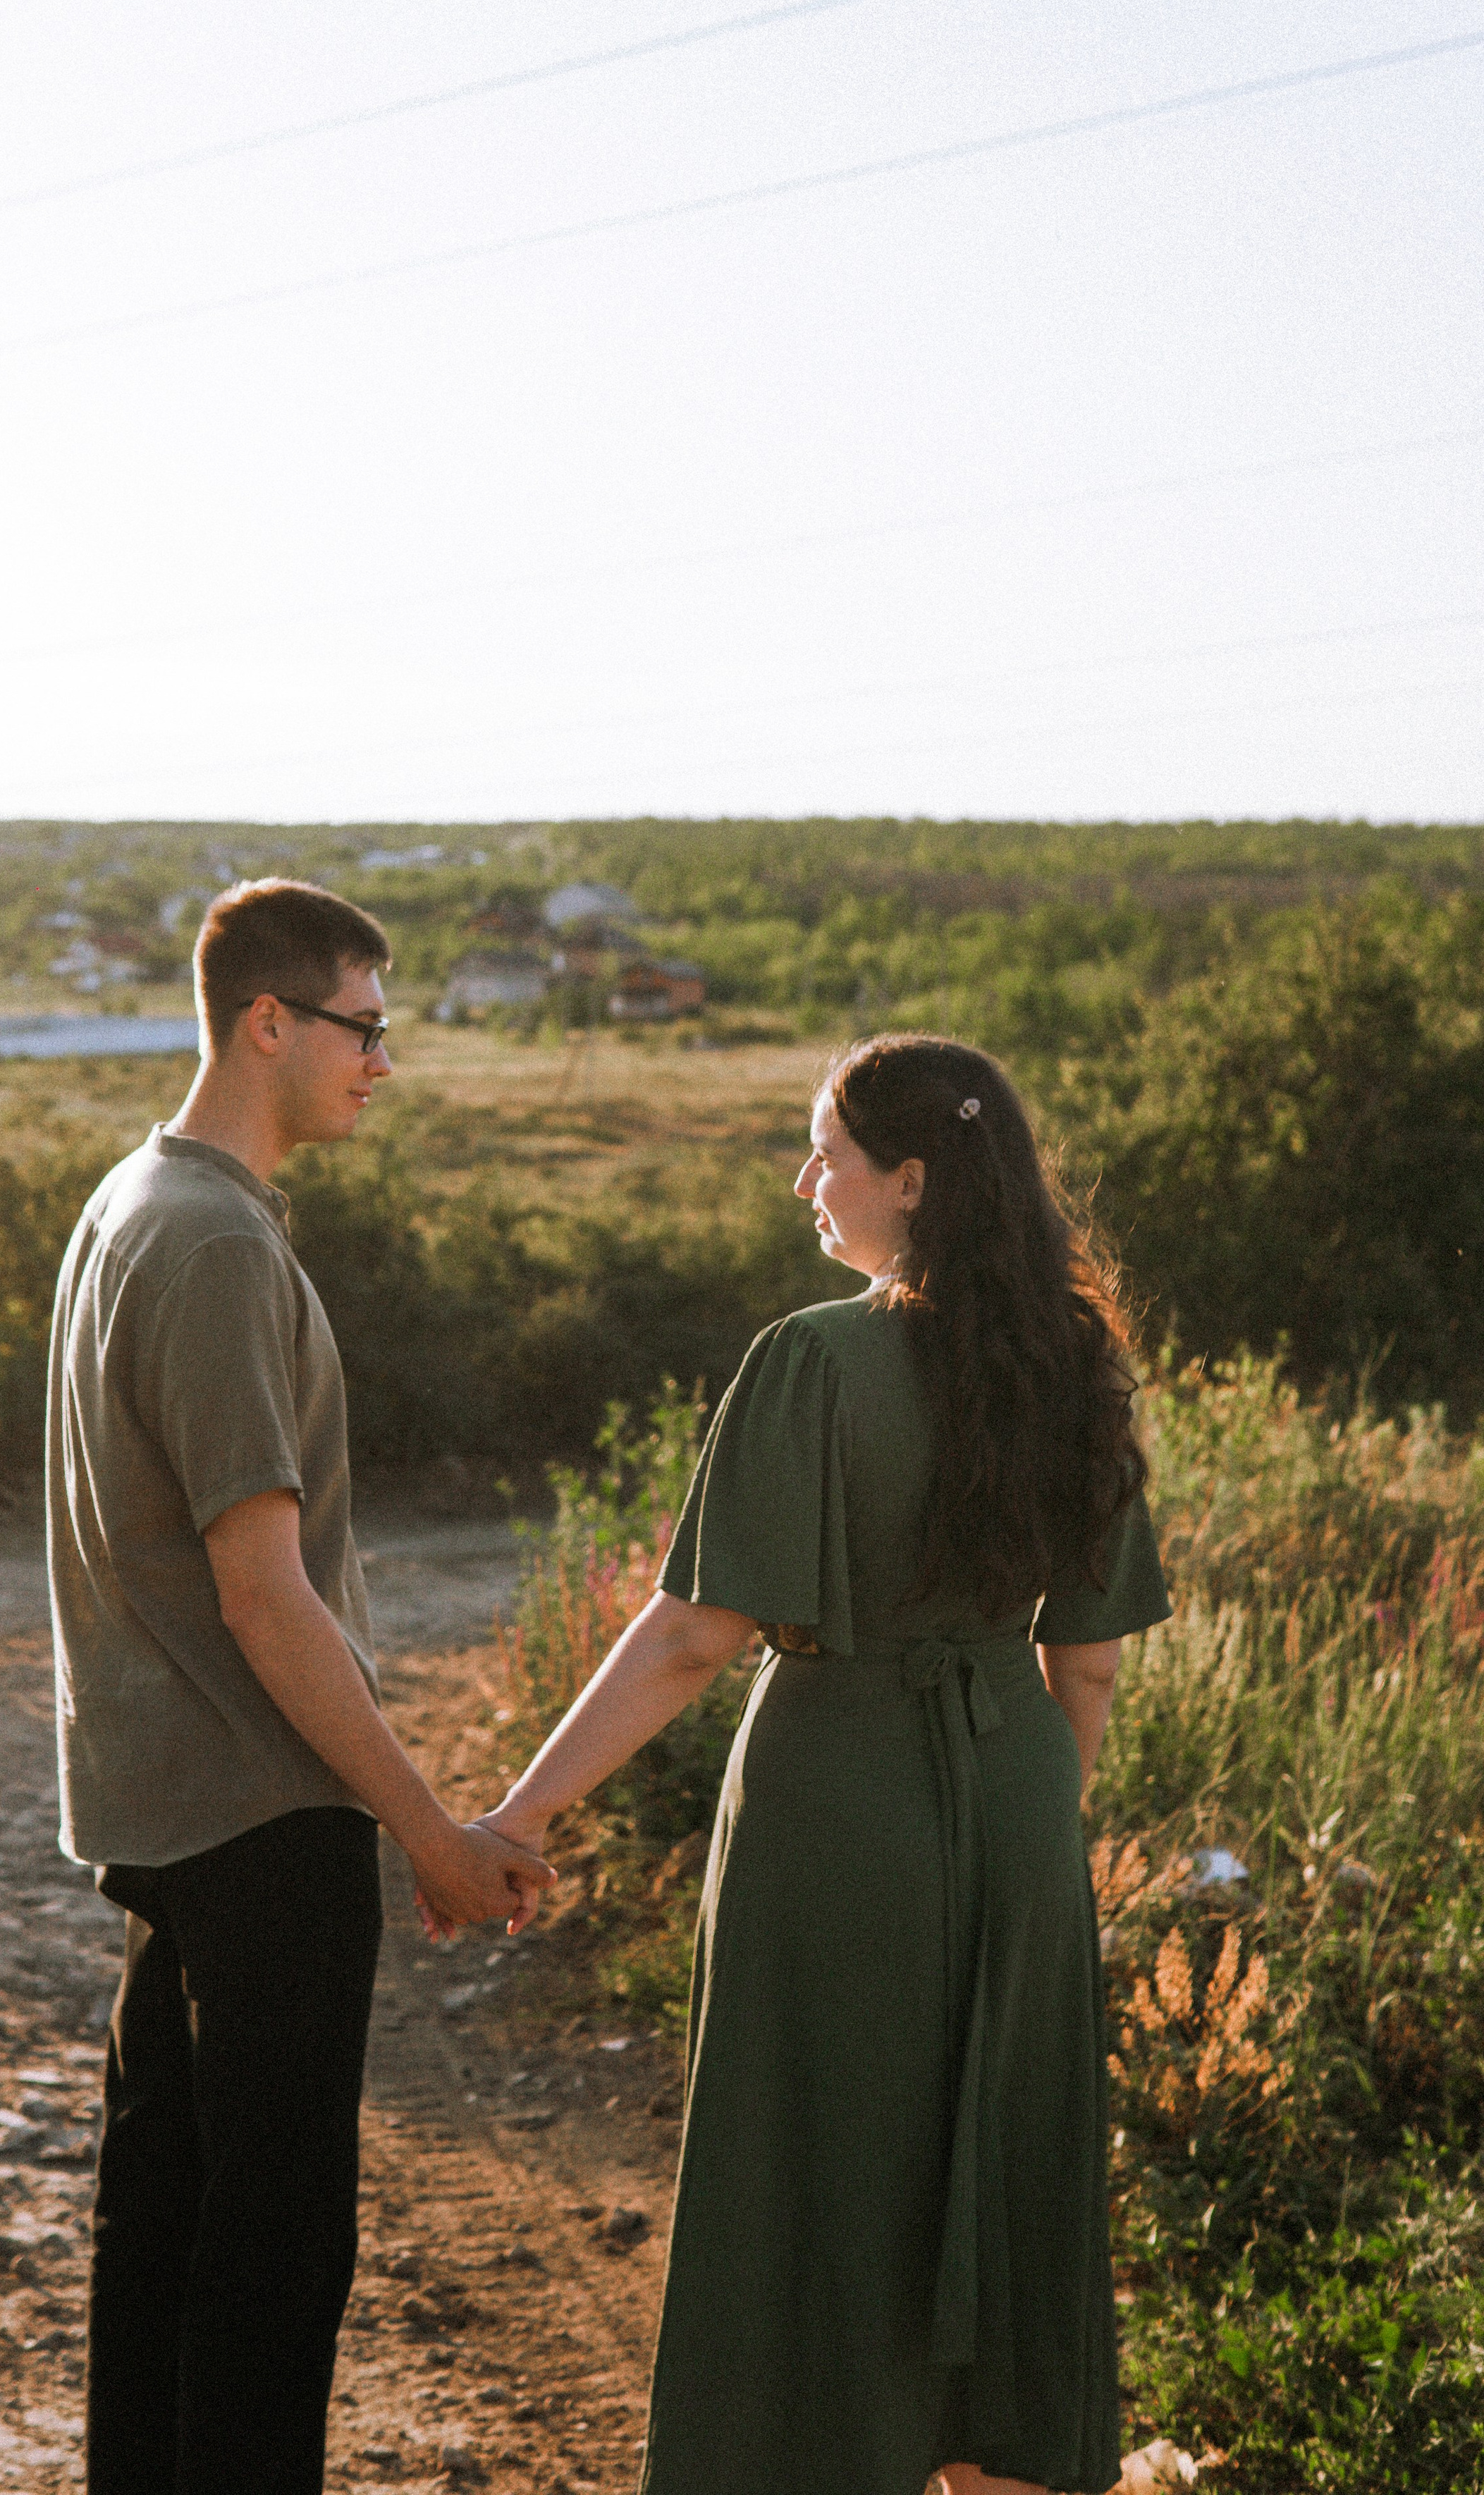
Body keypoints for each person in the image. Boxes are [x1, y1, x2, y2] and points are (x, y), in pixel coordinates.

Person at [477, 1033, 1170, 2495]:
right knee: (992, 2147)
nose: (804, 1181)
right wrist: (1025, 1819)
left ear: (909, 1182)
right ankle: (989, 2461)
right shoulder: (1077, 1358)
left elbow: (687, 1638)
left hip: (833, 1800)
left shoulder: (811, 1359)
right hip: (1014, 1797)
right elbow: (1087, 1659)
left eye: (825, 1154)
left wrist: (521, 1811)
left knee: (820, 2158)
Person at [46, 877, 551, 2495]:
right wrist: (423, 1825)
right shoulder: (205, 1242)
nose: (381, 1064)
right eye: (362, 1026)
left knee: (167, 2235)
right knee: (268, 2268)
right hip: (260, 1816)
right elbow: (265, 1598)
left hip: (168, 1813)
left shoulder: (134, 1198)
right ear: (268, 1020)